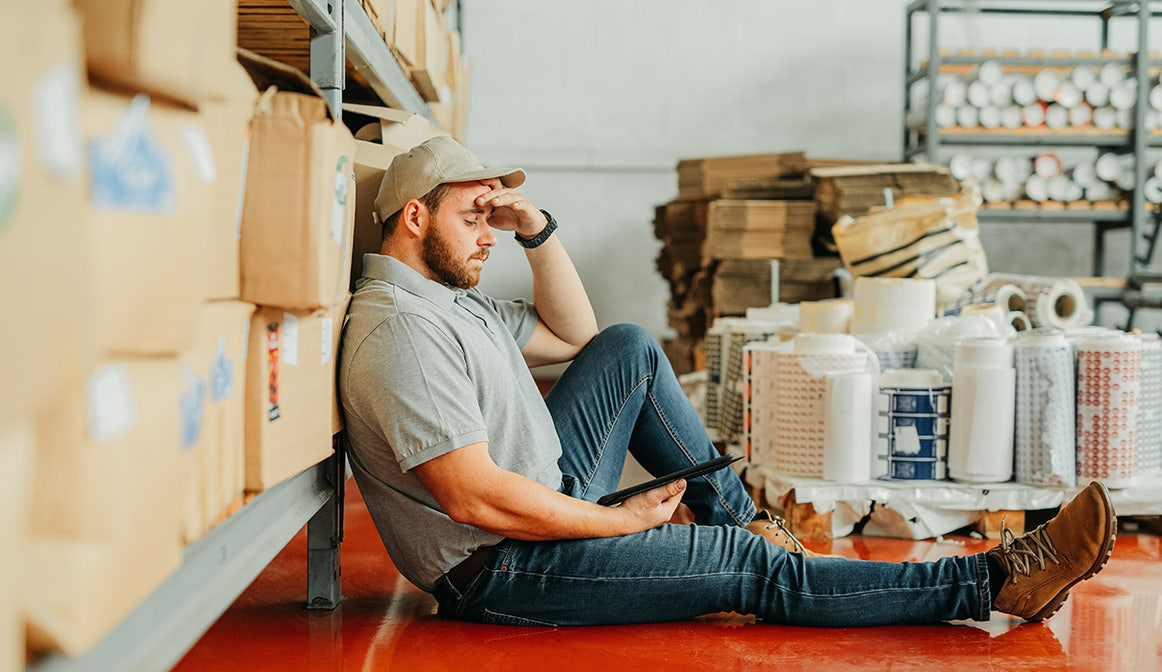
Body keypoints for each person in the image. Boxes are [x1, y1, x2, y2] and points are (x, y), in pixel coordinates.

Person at [338, 136, 1117, 628]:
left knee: (629, 348)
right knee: (751, 573)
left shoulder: (451, 303)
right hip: (507, 563)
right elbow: (473, 499)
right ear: (413, 216)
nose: (487, 235)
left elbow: (578, 336)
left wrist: (536, 230)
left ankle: (747, 521)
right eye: (474, 219)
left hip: (545, 492)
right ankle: (994, 581)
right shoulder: (403, 329)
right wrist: (623, 523)